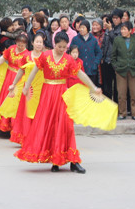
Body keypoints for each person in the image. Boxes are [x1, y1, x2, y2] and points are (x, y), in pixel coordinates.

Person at [13, 32, 100, 173]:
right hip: (47, 94)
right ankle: (55, 160)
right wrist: (27, 86)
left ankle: (73, 161)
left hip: (62, 95)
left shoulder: (69, 59)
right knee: (50, 126)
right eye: (60, 46)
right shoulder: (45, 56)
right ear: (55, 44)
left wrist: (93, 87)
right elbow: (34, 71)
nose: (62, 49)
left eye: (65, 47)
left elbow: (80, 74)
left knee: (66, 126)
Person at [0, 33, 31, 132]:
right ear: (16, 42)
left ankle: (13, 126)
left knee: (14, 103)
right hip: (8, 78)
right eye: (18, 45)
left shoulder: (27, 55)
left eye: (22, 45)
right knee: (5, 98)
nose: (20, 47)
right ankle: (2, 124)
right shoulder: (11, 49)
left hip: (19, 81)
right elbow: (2, 59)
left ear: (26, 45)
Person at [10, 33, 45, 145]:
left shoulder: (45, 57)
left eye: (41, 42)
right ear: (32, 43)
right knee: (26, 114)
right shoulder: (27, 56)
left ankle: (38, 138)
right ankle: (26, 138)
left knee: (39, 113)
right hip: (28, 89)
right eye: (37, 42)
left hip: (41, 89)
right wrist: (14, 84)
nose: (39, 44)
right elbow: (21, 71)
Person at [111, 21, 135, 120]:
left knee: (134, 93)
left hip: (133, 70)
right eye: (122, 29)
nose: (122, 31)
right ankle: (122, 113)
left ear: (130, 30)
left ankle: (134, 113)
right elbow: (113, 56)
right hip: (121, 70)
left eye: (125, 29)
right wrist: (116, 67)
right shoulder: (117, 40)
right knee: (121, 93)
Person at [70, 20, 102, 86]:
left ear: (87, 28)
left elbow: (99, 53)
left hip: (91, 70)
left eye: (83, 27)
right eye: (80, 27)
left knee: (90, 89)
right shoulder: (75, 39)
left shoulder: (93, 40)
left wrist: (95, 64)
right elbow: (70, 52)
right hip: (79, 70)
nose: (81, 29)